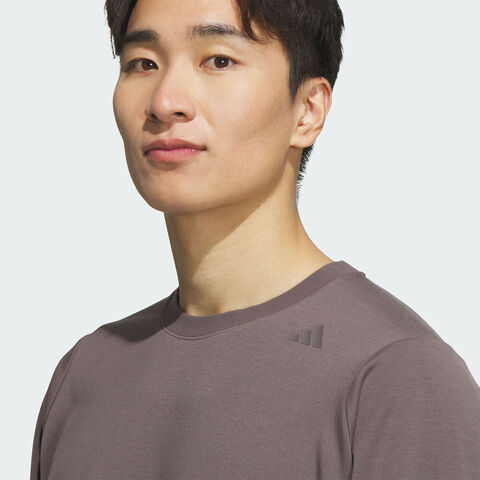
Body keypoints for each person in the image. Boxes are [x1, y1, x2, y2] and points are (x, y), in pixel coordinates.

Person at [30, 0, 480, 478]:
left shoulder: (397, 376)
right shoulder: (85, 374)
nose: (164, 102)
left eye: (218, 60)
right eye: (143, 63)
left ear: (307, 111)